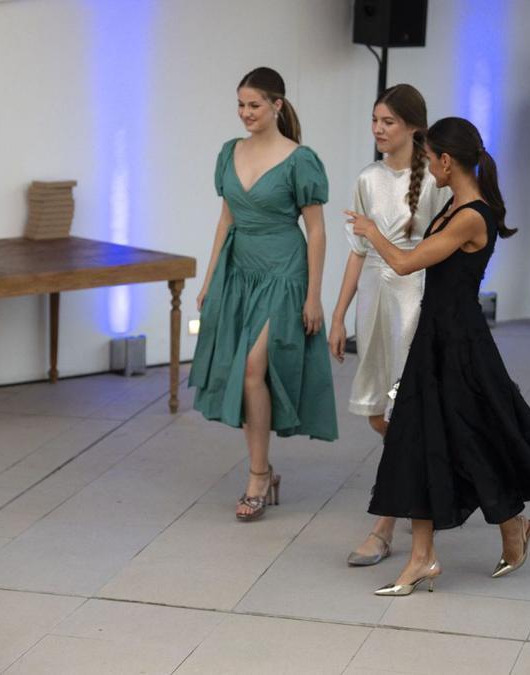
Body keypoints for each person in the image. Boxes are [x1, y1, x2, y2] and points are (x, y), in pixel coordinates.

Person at [347, 117, 530, 596]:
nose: (426, 166)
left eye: (430, 159)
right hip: (436, 338)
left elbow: (408, 262)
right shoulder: (456, 203)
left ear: (447, 161)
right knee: (419, 439)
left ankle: (509, 528)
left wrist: (371, 231)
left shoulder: (472, 214)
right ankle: (424, 557)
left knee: (478, 438)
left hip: (460, 346)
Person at [190, 67, 338, 522]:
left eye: (254, 105)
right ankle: (262, 469)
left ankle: (256, 478)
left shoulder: (300, 159)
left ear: (277, 105)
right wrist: (210, 277)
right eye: (241, 105)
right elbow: (225, 220)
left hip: (284, 271)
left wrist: (314, 296)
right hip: (239, 270)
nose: (246, 113)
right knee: (246, 373)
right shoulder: (228, 152)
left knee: (255, 366)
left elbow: (315, 231)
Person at [330, 84, 450, 566]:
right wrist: (338, 315)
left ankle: (385, 526)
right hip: (376, 301)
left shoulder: (436, 183)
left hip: (414, 299)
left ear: (413, 127)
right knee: (379, 412)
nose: (378, 130)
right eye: (375, 120)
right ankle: (433, 471)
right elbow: (358, 256)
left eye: (388, 122)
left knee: (405, 414)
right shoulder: (367, 178)